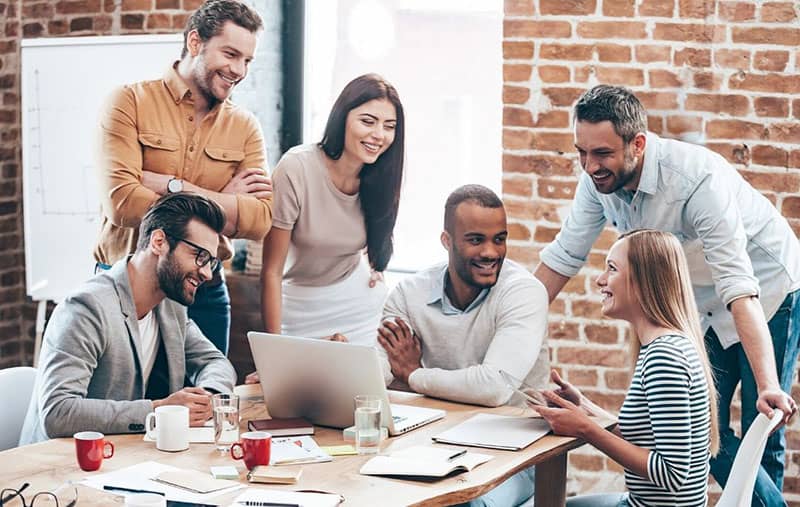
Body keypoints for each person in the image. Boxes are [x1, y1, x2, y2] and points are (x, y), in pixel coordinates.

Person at [534, 84, 799, 504]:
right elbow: (564, 254)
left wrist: (768, 384)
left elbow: (738, 286)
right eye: (581, 152)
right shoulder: (597, 181)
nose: (589, 166)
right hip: (705, 304)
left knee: (759, 427)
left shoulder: (697, 180)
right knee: (702, 430)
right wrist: (514, 325)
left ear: (637, 144)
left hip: (765, 293)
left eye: (601, 154)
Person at [95, 0, 273, 355]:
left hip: (203, 288)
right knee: (126, 401)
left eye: (248, 60)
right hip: (127, 283)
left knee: (206, 398)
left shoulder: (245, 127)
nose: (239, 70)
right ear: (195, 43)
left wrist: (174, 186)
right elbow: (123, 203)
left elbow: (260, 220)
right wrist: (224, 199)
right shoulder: (129, 103)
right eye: (231, 54)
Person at [378, 184, 549, 507]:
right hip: (429, 443)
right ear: (447, 241)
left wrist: (414, 376)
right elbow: (377, 372)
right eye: (476, 240)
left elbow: (494, 386)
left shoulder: (524, 292)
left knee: (467, 503)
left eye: (499, 239)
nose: (491, 252)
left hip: (516, 450)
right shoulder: (409, 293)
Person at [20, 193, 237, 445]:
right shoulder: (87, 308)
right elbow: (58, 412)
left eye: (210, 261)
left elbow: (214, 362)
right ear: (159, 242)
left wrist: (206, 397)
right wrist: (158, 411)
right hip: (57, 467)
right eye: (199, 256)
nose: (207, 273)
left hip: (121, 459)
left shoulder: (170, 306)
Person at [537, 230, 718, 506]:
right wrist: (585, 407)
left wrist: (586, 429)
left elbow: (672, 474)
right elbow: (647, 440)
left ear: (645, 281)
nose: (600, 279)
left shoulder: (664, 357)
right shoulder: (667, 346)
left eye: (611, 268)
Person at [259, 73, 404, 346]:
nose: (379, 135)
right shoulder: (296, 168)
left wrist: (375, 268)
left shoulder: (381, 177)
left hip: (357, 305)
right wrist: (272, 350)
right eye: (368, 121)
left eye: (389, 126)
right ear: (342, 118)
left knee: (363, 387)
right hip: (299, 306)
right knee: (296, 387)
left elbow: (376, 238)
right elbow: (271, 272)